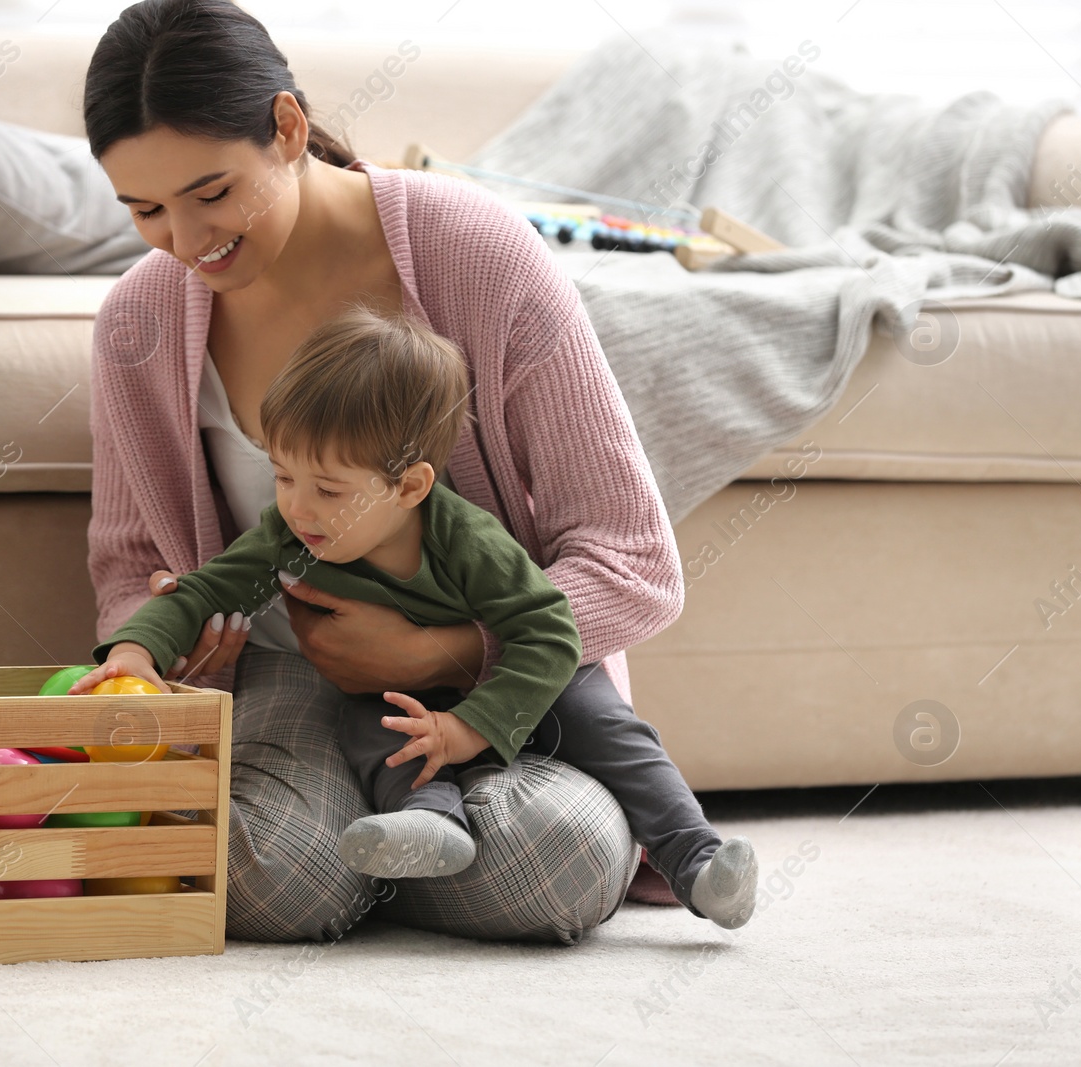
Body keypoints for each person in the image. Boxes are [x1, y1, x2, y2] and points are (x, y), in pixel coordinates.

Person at [83, 0, 697, 943]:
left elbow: (632, 556)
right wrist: (163, 647)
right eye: (145, 210)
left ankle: (369, 853)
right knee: (271, 882)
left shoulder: (476, 254)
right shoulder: (140, 321)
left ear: (288, 128)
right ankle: (373, 856)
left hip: (485, 694)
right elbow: (130, 564)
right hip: (280, 686)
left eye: (211, 193)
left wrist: (448, 651)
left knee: (560, 860)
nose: (185, 240)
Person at [69, 305, 759, 928]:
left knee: (612, 728)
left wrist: (471, 726)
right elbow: (199, 592)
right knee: (376, 725)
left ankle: (696, 860)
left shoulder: (469, 540)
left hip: (525, 680)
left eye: (328, 488)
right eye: (282, 476)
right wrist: (136, 652)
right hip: (398, 694)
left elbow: (552, 633)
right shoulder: (290, 533)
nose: (297, 506)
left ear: (410, 486)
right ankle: (429, 823)